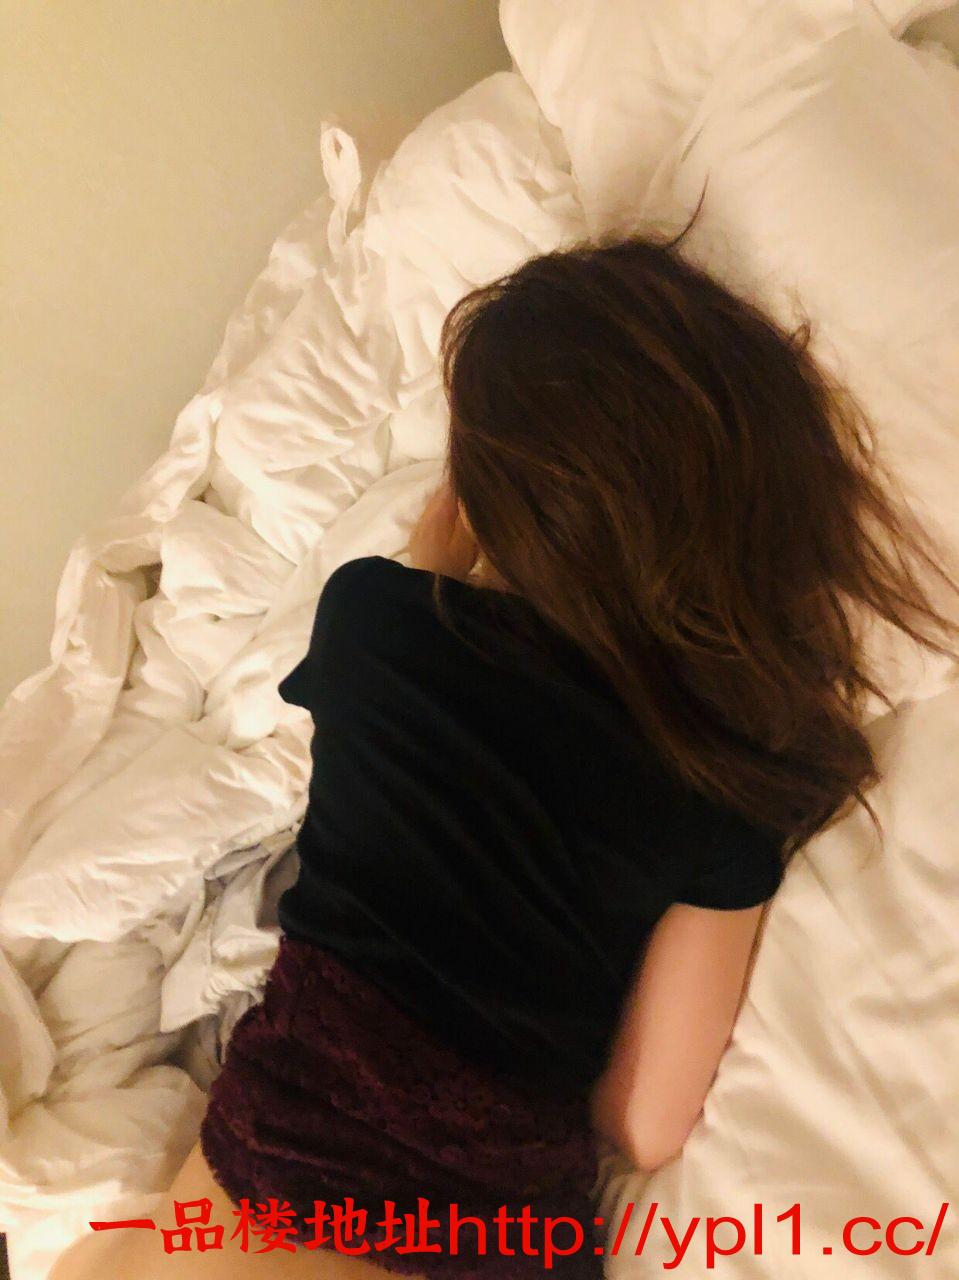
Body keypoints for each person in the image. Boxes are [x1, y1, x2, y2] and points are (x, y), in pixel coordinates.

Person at [49, 226, 959, 1280]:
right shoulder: (724, 773)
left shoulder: (372, 621)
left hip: (274, 1158)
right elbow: (644, 1125)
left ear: (485, 495)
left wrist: (428, 570)